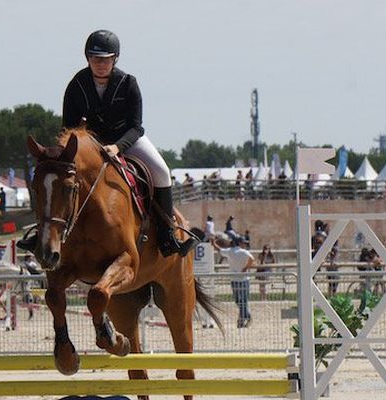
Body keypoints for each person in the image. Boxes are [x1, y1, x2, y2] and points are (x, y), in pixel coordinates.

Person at [17, 29, 198, 257]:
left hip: (127, 140)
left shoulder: (128, 83)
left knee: (161, 171)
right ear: (88, 58)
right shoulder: (77, 85)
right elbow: (69, 129)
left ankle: (167, 234)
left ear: (115, 59)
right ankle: (42, 231)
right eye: (95, 58)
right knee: (57, 179)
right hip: (90, 146)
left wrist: (117, 147)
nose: (100, 64)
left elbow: (136, 127)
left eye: (106, 59)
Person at [213, 236, 255, 328]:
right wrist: (245, 268)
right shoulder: (244, 252)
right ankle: (246, 316)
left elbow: (219, 250)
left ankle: (242, 319)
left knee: (238, 301)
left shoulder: (230, 251)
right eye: (243, 243)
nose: (244, 244)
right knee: (243, 300)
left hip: (234, 280)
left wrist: (213, 242)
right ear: (239, 243)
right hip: (244, 279)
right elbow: (252, 259)